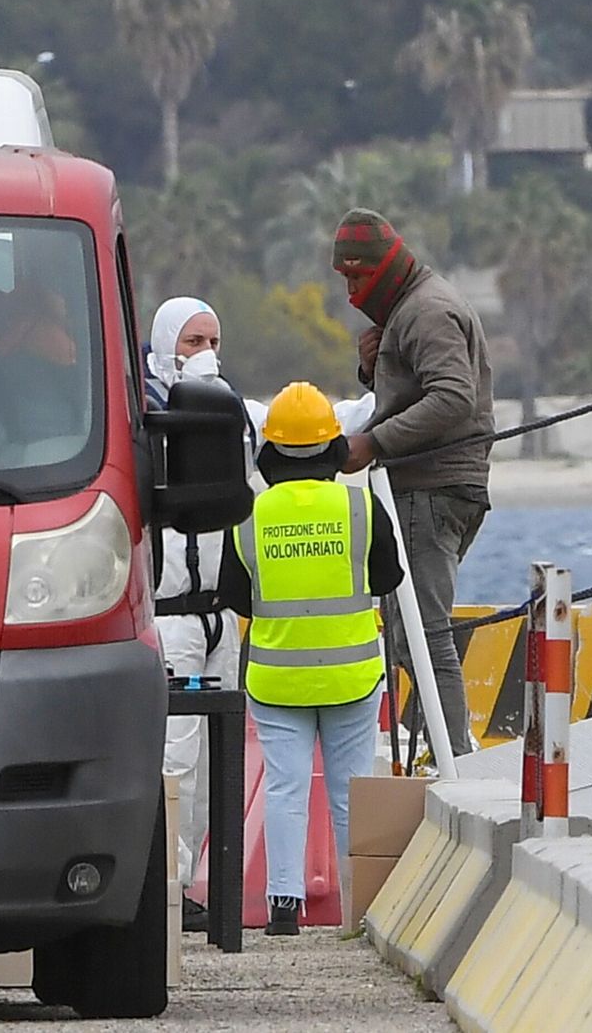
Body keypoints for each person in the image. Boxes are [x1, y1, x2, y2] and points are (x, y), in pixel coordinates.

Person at [218, 381, 404, 935]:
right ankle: (357, 909)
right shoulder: (360, 504)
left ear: (269, 452)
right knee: (350, 791)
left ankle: (281, 907)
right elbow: (388, 577)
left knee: (285, 788)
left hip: (277, 678)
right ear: (334, 450)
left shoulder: (248, 513)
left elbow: (234, 593)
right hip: (352, 673)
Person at [331, 208, 493, 758]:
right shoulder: (412, 309)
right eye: (345, 279)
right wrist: (372, 367)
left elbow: (453, 396)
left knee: (425, 636)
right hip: (438, 487)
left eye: (358, 277)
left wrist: (371, 444)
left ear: (385, 268)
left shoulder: (425, 310)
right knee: (410, 635)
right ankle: (445, 756)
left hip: (432, 488)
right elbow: (419, 389)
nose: (353, 291)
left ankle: (458, 768)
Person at [145, 297, 245, 933]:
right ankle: (166, 895)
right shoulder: (150, 414)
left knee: (213, 770)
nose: (204, 350)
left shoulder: (233, 414)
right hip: (171, 617)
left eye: (212, 337)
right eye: (191, 340)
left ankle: (189, 886)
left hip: (219, 619)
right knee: (172, 761)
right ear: (164, 346)